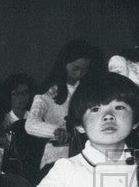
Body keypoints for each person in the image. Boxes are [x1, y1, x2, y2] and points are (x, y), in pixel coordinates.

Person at [25, 39, 102, 172]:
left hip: (84, 157)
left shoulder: (88, 91)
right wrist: (55, 131)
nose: (79, 75)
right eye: (75, 68)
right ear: (63, 64)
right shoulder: (48, 94)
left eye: (84, 70)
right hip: (57, 159)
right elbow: (30, 124)